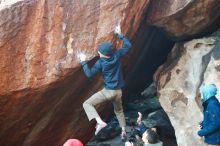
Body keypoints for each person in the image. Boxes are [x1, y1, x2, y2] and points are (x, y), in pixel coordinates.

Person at [79, 25, 132, 140]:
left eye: (99, 52)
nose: (98, 52)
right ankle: (123, 130)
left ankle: (100, 122)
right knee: (119, 111)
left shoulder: (100, 63)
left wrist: (83, 62)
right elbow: (128, 45)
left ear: (103, 54)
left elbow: (89, 74)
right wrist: (120, 34)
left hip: (108, 92)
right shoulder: (116, 55)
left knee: (87, 104)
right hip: (118, 92)